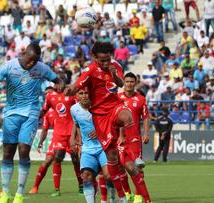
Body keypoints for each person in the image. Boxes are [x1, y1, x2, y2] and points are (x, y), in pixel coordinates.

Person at [0, 43, 62, 203]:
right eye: (30, 60)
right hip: (11, 114)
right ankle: (6, 193)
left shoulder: (41, 68)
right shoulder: (9, 66)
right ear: (24, 54)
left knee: (23, 150)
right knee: (8, 152)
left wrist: (60, 87)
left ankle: (19, 194)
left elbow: (58, 80)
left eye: (35, 61)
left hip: (31, 113)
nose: (31, 64)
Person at [64, 42, 139, 203]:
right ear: (94, 57)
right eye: (102, 60)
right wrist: (71, 88)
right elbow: (78, 85)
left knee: (127, 117)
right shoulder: (89, 71)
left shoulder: (115, 65)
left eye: (108, 59)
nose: (106, 63)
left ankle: (134, 157)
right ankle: (107, 199)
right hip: (98, 119)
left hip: (113, 109)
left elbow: (120, 84)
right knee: (87, 176)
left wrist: (114, 75)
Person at [36, 82, 83, 197]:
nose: (60, 86)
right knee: (57, 158)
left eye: (62, 84)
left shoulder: (73, 96)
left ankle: (81, 186)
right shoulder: (50, 97)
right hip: (59, 134)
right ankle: (56, 189)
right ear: (55, 86)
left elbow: (79, 111)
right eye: (58, 84)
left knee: (75, 160)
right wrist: (35, 117)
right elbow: (44, 110)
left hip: (71, 134)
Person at [70, 88, 110, 203]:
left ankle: (111, 199)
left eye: (86, 93)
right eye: (81, 93)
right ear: (77, 96)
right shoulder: (74, 109)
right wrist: (79, 140)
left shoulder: (100, 105)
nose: (84, 96)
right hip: (87, 148)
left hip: (103, 147)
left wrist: (98, 131)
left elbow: (111, 123)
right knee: (86, 176)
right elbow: (77, 124)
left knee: (108, 176)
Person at [118, 72, 151, 203]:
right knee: (121, 167)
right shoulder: (117, 98)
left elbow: (146, 117)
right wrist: (119, 135)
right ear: (124, 83)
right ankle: (127, 193)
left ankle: (138, 195)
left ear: (135, 83)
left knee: (137, 167)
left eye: (132, 81)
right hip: (120, 139)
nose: (129, 84)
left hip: (134, 139)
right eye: (127, 81)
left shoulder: (141, 99)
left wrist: (146, 133)